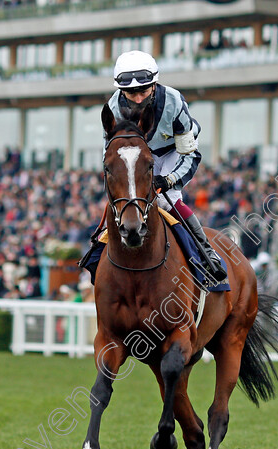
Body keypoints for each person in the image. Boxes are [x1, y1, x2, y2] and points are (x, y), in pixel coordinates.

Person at [81, 50, 226, 282]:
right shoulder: (113, 109)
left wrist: (168, 180)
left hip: (173, 151)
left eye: (143, 91)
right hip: (135, 155)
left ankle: (206, 252)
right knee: (124, 200)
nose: (138, 99)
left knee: (167, 201)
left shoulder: (174, 101)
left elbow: (190, 153)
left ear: (155, 84)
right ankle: (97, 254)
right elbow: (109, 158)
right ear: (121, 90)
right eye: (130, 93)